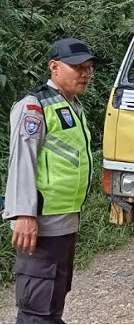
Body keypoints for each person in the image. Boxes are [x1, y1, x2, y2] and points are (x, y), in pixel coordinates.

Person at [3, 38, 96, 324]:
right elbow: (22, 161)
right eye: (77, 66)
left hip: (64, 221)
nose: (85, 73)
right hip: (40, 225)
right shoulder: (35, 105)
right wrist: (24, 214)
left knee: (52, 303)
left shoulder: (71, 105)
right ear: (54, 67)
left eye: (89, 67)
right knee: (36, 311)